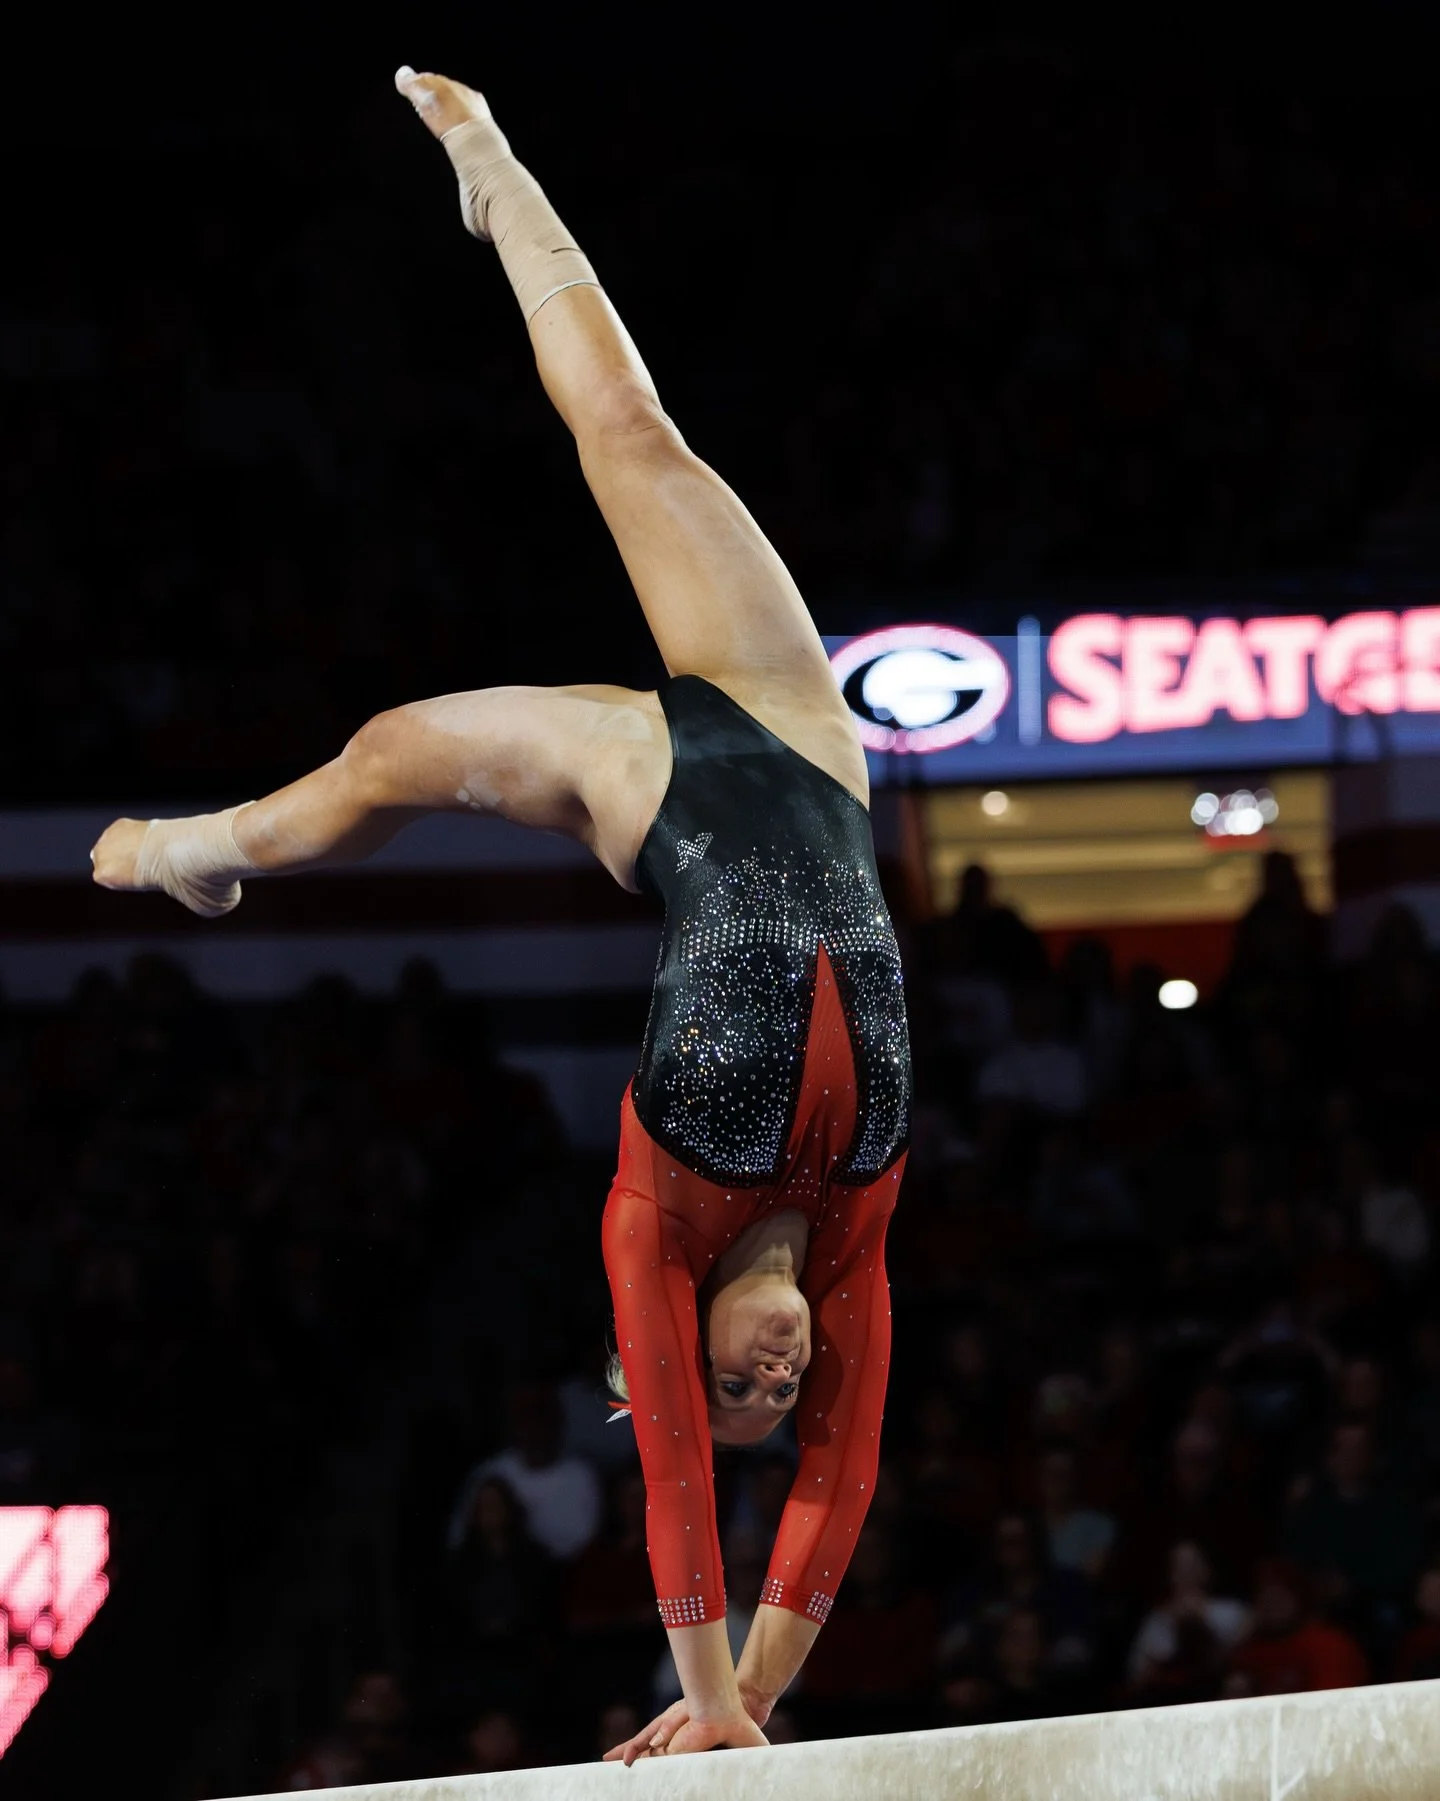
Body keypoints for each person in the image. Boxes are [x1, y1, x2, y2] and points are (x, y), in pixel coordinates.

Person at [90, 68, 911, 1762]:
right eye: (779, 1392)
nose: (764, 1389)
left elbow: (680, 1473)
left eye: (735, 1388)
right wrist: (755, 1702)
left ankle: (203, 851)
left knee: (391, 751)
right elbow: (838, 1488)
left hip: (646, 795)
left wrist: (704, 1713)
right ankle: (499, 165)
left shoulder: (658, 1220)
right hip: (801, 736)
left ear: (690, 1345)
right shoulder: (860, 1230)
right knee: (641, 433)